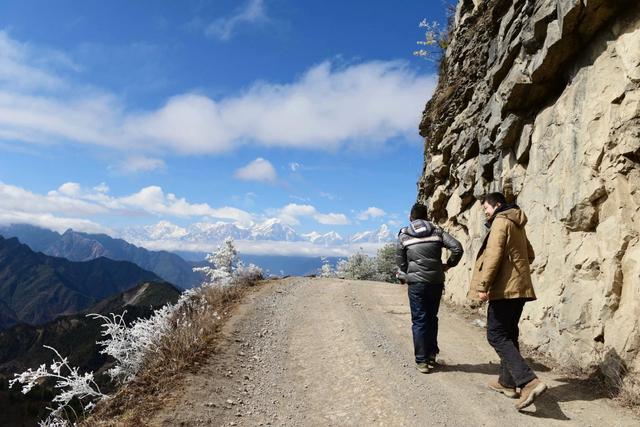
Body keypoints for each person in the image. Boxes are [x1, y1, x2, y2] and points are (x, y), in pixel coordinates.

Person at [469, 192, 547, 410]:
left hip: (505, 289)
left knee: (495, 334)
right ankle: (507, 383)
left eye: (486, 208)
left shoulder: (501, 222)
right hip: (520, 288)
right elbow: (529, 254)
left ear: (497, 205)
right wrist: (515, 269)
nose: (485, 212)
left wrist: (483, 286)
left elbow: (493, 256)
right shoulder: (517, 223)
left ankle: (529, 382)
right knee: (509, 333)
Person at [396, 202, 463, 373]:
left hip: (416, 284)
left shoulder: (404, 235)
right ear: (427, 217)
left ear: (410, 217)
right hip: (435, 282)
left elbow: (400, 261)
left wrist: (406, 273)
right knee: (432, 317)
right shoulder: (436, 231)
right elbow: (457, 248)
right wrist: (448, 265)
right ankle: (432, 354)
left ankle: (422, 361)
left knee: (419, 320)